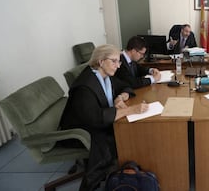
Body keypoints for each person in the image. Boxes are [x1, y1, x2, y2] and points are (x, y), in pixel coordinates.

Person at [59, 44, 149, 190]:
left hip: (95, 121)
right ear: (101, 61)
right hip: (80, 132)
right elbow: (97, 118)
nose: (118, 66)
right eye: (114, 61)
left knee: (126, 132)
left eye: (119, 61)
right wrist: (130, 110)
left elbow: (125, 85)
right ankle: (92, 184)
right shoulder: (85, 85)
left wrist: (120, 96)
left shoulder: (104, 76)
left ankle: (128, 171)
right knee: (115, 140)